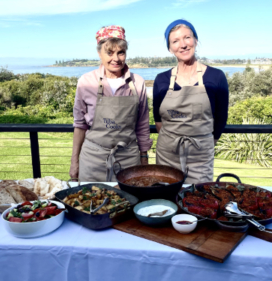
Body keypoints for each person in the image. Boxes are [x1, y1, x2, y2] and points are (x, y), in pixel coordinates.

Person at [69, 25, 152, 182]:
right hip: (93, 159)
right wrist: (74, 162)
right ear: (99, 53)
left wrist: (144, 158)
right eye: (110, 52)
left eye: (121, 52)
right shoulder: (86, 82)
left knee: (129, 203)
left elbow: (142, 125)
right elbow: (79, 125)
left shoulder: (138, 83)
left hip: (128, 159)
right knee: (89, 202)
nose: (116, 58)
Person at [153, 19, 229, 184]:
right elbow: (158, 120)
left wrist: (204, 145)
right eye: (175, 41)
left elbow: (221, 118)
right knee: (166, 201)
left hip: (201, 158)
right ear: (170, 48)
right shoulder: (161, 79)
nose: (183, 44)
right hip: (167, 155)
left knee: (199, 202)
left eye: (187, 37)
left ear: (195, 40)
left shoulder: (216, 77)